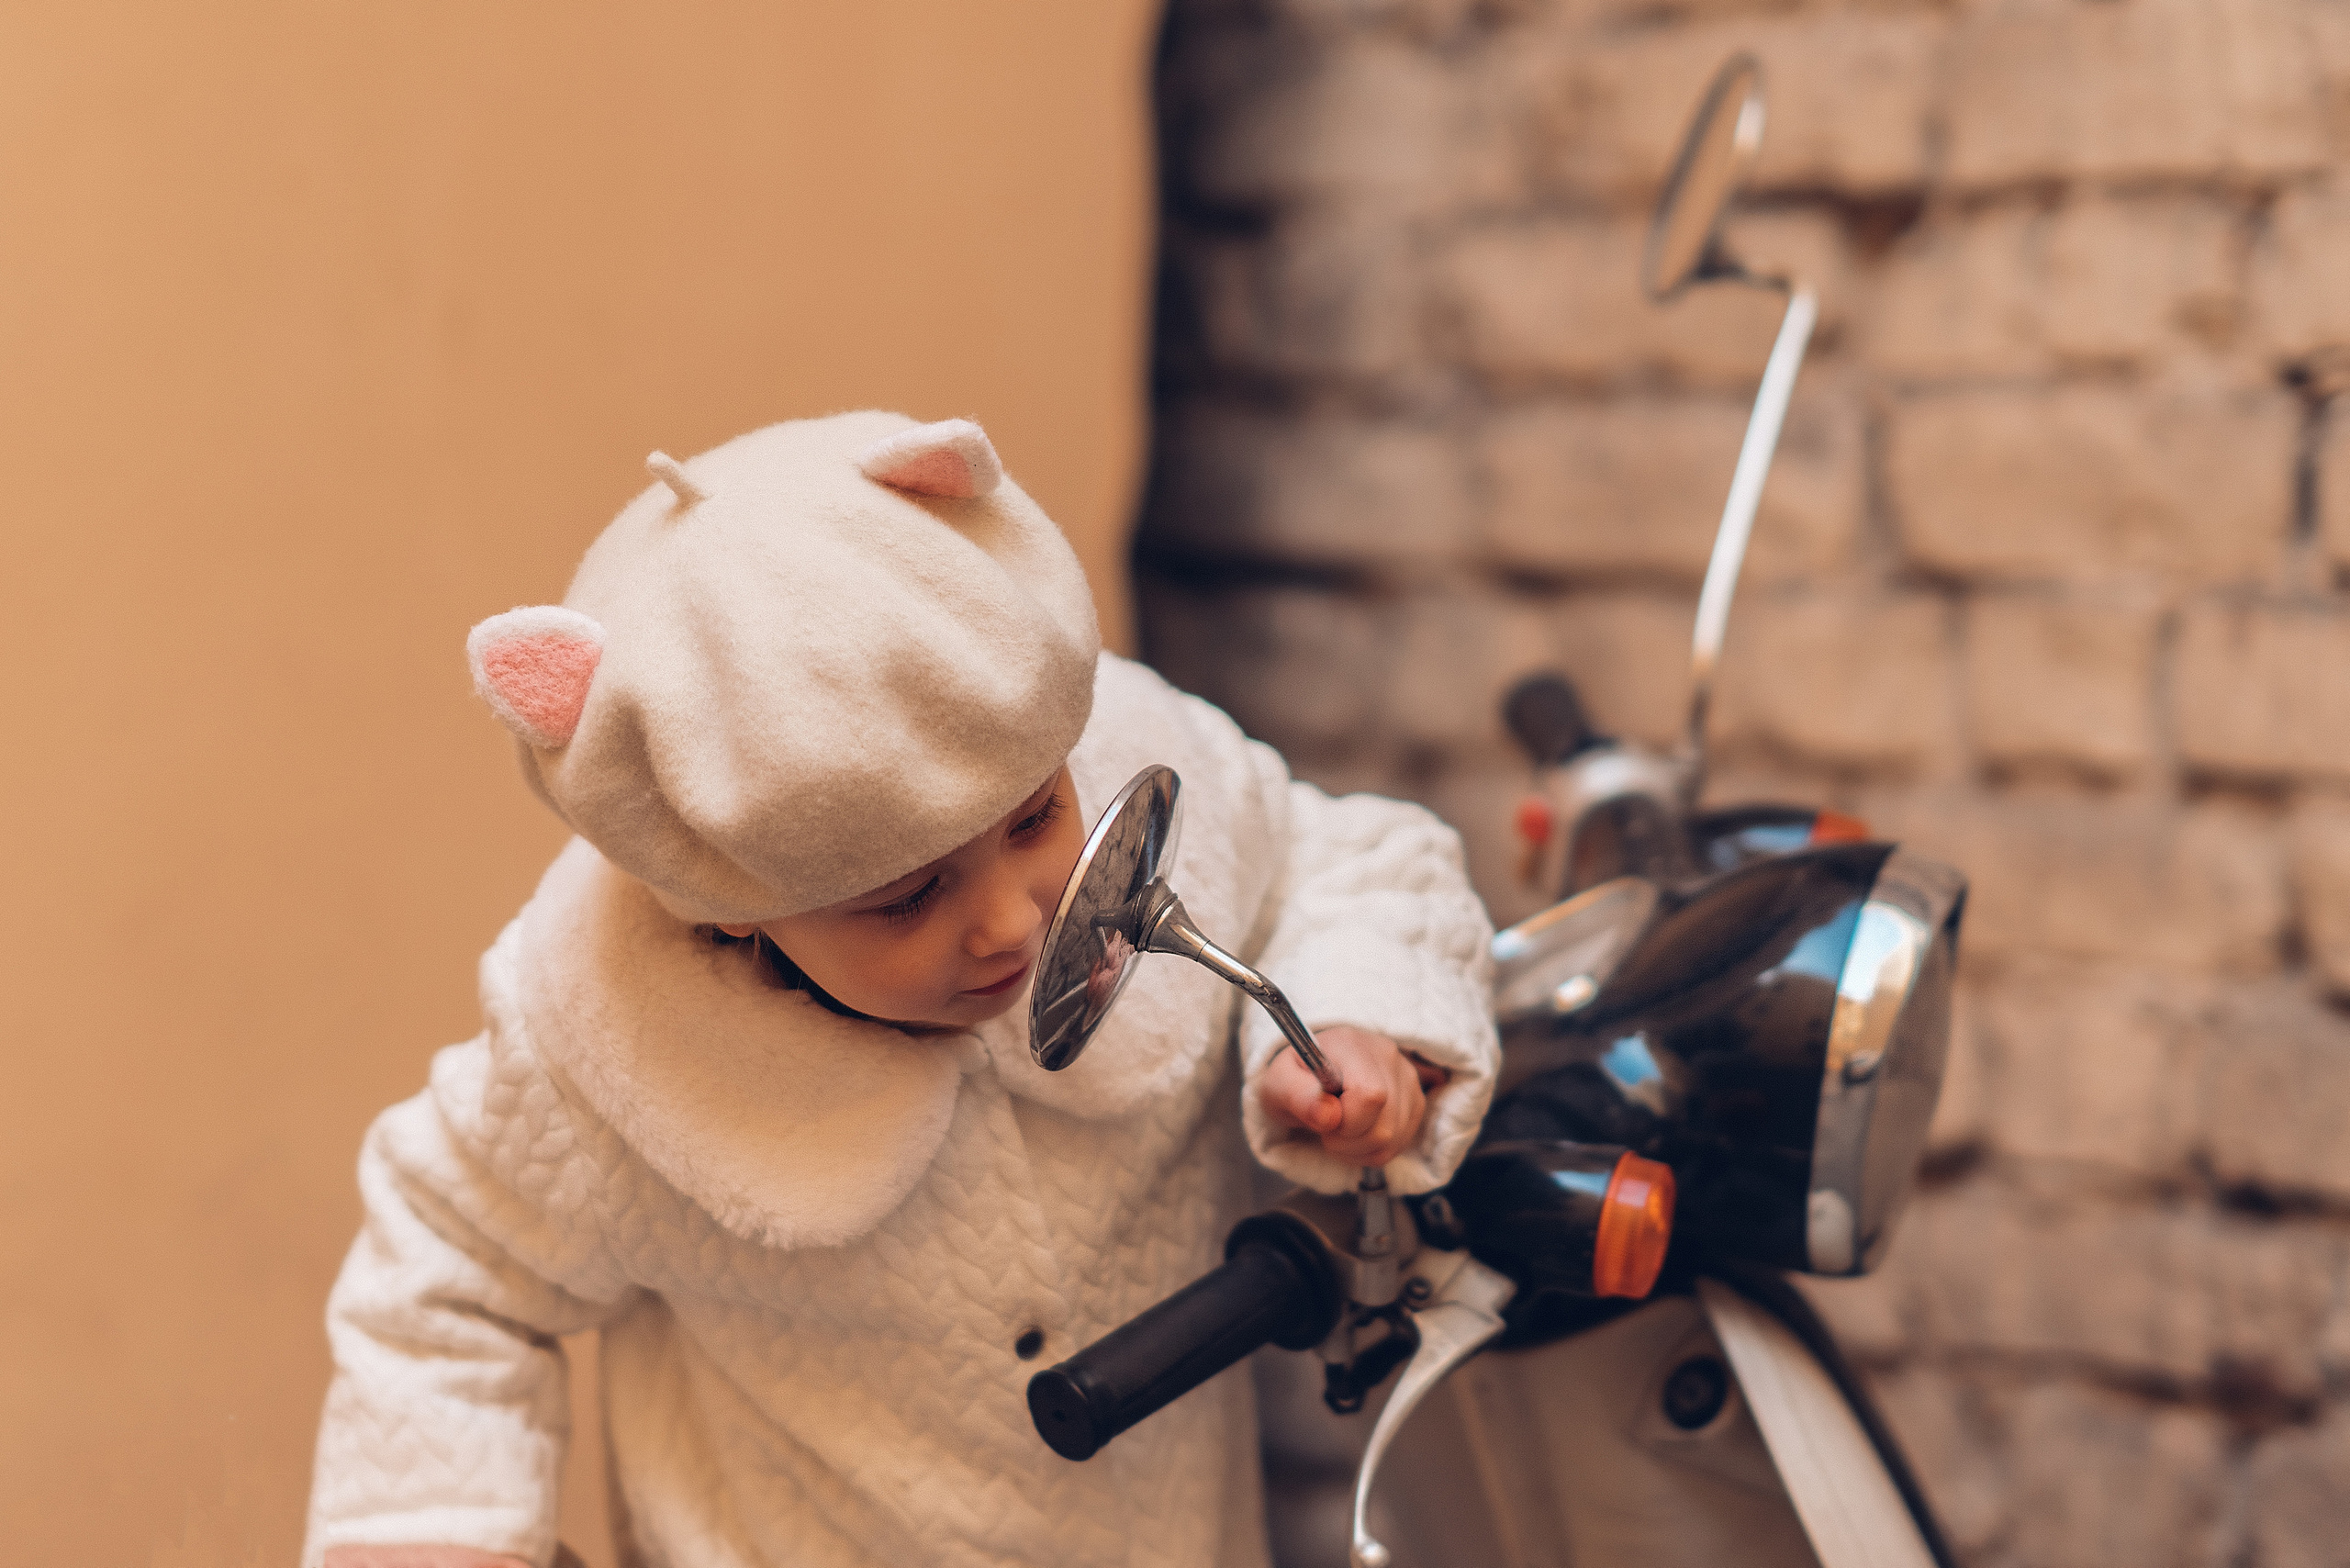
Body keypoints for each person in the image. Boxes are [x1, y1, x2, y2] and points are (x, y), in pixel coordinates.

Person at [304, 411, 1499, 1568]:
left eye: (1033, 821)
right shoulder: (602, 1044)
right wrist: (435, 1525)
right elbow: (445, 1273)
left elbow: (1339, 857)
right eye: (903, 899)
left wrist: (1354, 1018)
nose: (1009, 921)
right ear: (733, 907)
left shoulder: (1131, 756)